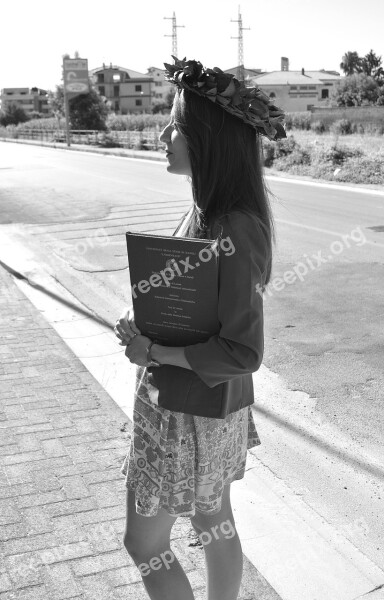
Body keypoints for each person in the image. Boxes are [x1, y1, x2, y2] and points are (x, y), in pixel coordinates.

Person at [114, 56, 286, 600]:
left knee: (145, 544)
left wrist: (155, 351)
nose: (163, 135)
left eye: (176, 126)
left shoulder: (233, 224)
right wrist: (144, 321)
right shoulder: (211, 212)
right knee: (213, 520)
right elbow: (194, 308)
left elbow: (241, 350)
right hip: (201, 406)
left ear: (208, 141)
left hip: (189, 410)